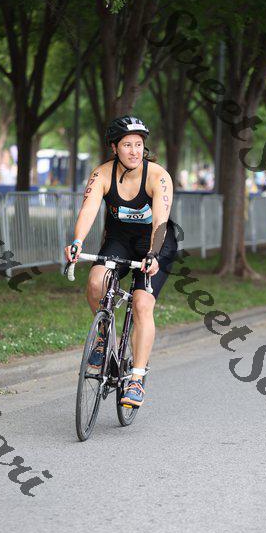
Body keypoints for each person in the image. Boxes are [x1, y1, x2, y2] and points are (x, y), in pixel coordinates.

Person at [64, 116, 177, 407]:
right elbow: (88, 210)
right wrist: (77, 241)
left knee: (141, 303)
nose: (134, 151)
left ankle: (136, 379)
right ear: (114, 148)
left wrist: (153, 254)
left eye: (138, 144)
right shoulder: (102, 174)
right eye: (127, 145)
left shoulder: (158, 176)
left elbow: (160, 221)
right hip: (120, 240)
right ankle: (104, 338)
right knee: (95, 283)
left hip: (155, 242)